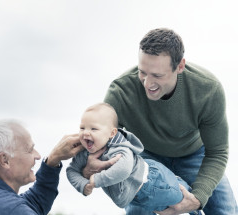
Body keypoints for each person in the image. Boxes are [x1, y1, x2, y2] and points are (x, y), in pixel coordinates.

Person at [80, 28, 238, 215]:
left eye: (157, 75)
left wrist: (197, 198)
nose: (147, 83)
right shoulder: (120, 91)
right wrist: (91, 162)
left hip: (194, 154)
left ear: (180, 66)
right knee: (138, 210)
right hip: (144, 156)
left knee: (224, 210)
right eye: (142, 72)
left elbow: (217, 152)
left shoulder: (208, 90)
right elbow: (102, 139)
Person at [67, 103, 200, 214]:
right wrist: (82, 185)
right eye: (82, 128)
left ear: (112, 133)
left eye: (94, 129)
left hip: (151, 182)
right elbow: (71, 170)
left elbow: (123, 169)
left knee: (179, 198)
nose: (85, 132)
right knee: (162, 209)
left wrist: (97, 180)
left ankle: (188, 195)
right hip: (136, 196)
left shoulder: (119, 148)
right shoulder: (84, 154)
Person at [0, 119, 85, 215]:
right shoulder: (12, 209)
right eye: (30, 150)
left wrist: (53, 160)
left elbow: (34, 203)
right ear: (5, 160)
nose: (37, 155)